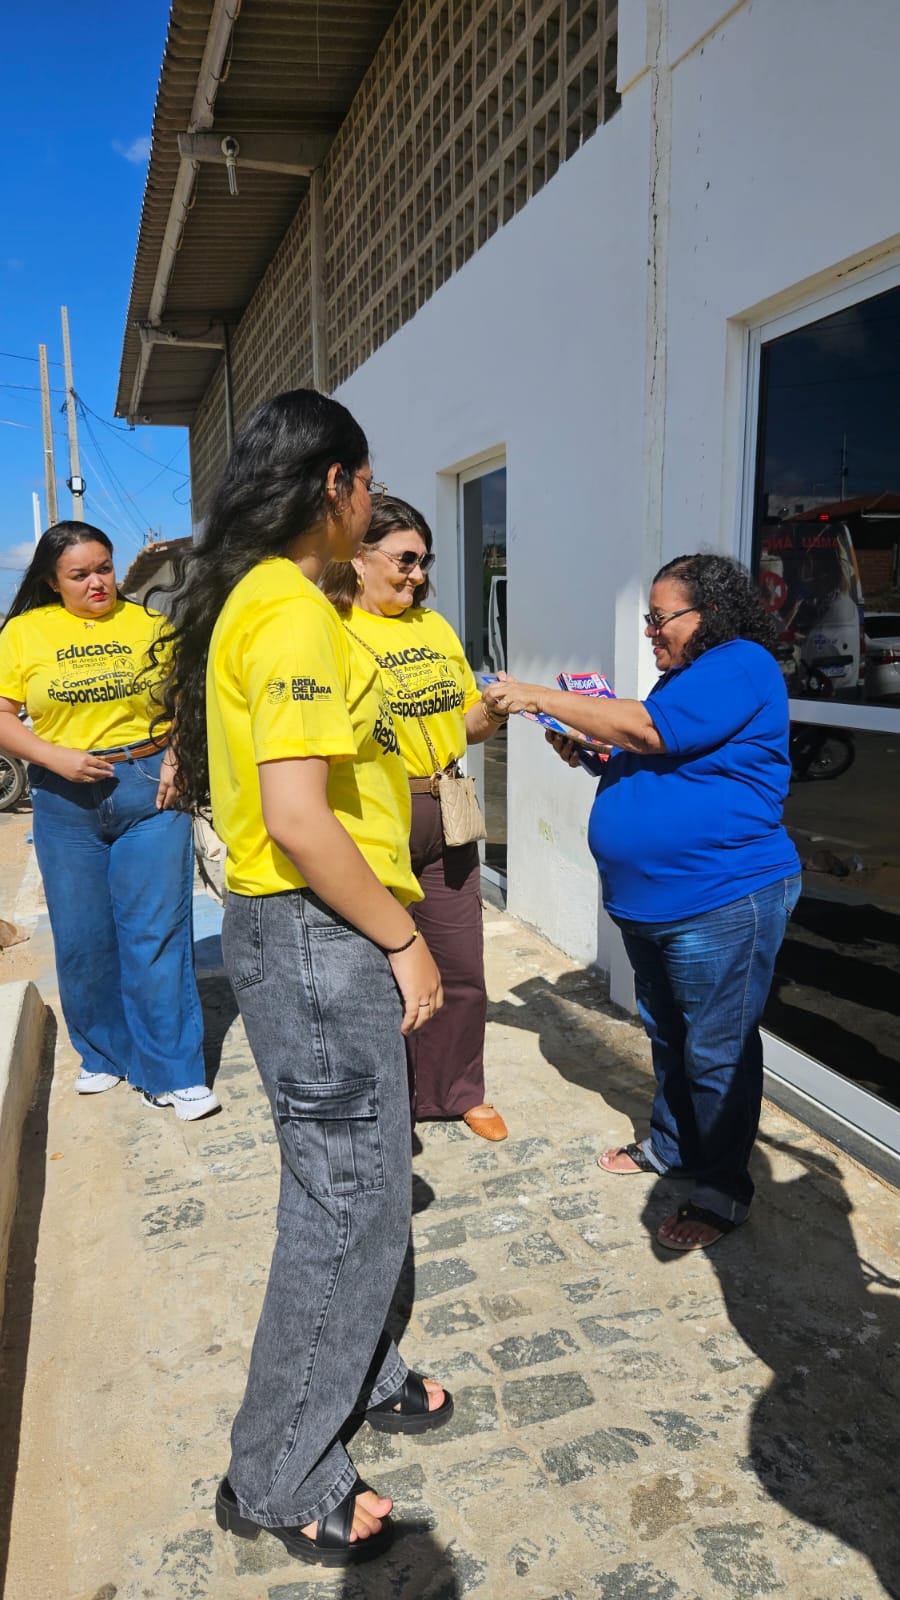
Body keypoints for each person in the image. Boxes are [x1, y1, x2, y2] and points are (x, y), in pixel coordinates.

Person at [154, 392, 452, 1566]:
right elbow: (297, 817)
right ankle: (275, 1470)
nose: (373, 502)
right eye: (367, 482)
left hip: (311, 931)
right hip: (321, 933)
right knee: (347, 1200)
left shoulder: (275, 602)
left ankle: (362, 1369)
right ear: (334, 486)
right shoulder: (285, 612)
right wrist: (404, 938)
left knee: (353, 1184)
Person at [483, 553, 801, 1252]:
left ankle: (721, 1189)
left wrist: (537, 697)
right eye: (648, 619)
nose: (651, 631)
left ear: (709, 614)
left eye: (660, 618)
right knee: (669, 1037)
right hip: (655, 904)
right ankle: (673, 1146)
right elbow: (662, 754)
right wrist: (594, 752)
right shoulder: (684, 675)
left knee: (716, 1052)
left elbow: (651, 732)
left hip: (721, 897)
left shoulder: (741, 663)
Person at [0, 522, 216, 1120]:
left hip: (148, 786)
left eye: (104, 568)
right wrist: (53, 757)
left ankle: (173, 1072)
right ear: (52, 580)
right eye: (80, 574)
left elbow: (185, 700)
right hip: (63, 795)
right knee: (83, 935)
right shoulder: (25, 632)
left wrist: (178, 757)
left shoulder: (148, 624)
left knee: (156, 932)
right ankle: (103, 1053)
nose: (97, 582)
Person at [322, 495, 509, 1141]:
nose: (418, 574)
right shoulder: (330, 630)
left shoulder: (434, 627)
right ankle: (387, 1102)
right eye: (405, 559)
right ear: (358, 557)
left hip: (446, 804)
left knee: (461, 963)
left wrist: (494, 708)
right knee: (379, 972)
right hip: (375, 813)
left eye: (424, 561)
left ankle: (456, 1091)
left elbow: (465, 724)